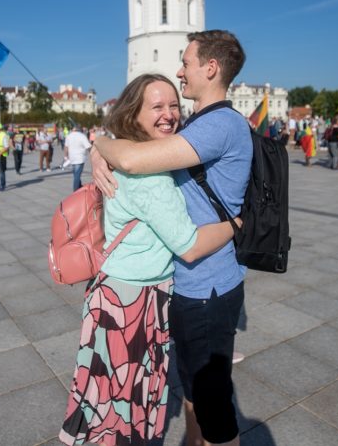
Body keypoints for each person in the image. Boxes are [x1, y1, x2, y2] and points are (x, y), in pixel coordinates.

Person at [92, 30, 252, 446]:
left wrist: (238, 223)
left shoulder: (217, 124)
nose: (180, 71)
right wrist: (99, 147)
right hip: (193, 286)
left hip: (206, 285)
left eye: (186, 62)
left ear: (210, 68)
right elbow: (128, 152)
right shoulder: (203, 121)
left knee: (213, 407)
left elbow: (130, 158)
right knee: (195, 392)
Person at [63, 125, 91, 191]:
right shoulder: (82, 136)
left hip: (72, 158)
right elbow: (88, 147)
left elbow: (66, 147)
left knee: (76, 174)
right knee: (77, 175)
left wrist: (65, 156)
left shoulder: (69, 136)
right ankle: (75, 190)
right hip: (80, 158)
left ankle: (79, 186)